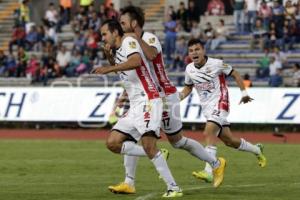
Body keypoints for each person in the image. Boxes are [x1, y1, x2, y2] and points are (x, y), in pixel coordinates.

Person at [106, 6, 226, 194]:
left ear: (134, 23)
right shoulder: (126, 42)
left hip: (165, 95)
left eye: (123, 23)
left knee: (177, 141)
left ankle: (215, 163)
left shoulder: (148, 38)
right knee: (136, 135)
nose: (121, 26)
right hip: (147, 96)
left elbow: (152, 55)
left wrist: (136, 38)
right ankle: (129, 181)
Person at [91, 19, 182, 198]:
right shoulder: (117, 49)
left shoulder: (128, 41)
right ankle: (145, 167)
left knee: (148, 145)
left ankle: (174, 187)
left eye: (104, 34)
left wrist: (109, 67)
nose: (102, 37)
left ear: (115, 33)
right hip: (135, 104)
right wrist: (110, 57)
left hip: (149, 99)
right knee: (113, 142)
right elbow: (123, 72)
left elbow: (136, 61)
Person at [179, 39, 267, 183]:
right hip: (208, 108)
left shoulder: (217, 64)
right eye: (191, 51)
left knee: (208, 132)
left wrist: (244, 94)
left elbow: (236, 74)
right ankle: (257, 150)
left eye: (197, 49)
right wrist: (179, 97)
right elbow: (188, 87)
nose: (194, 52)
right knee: (229, 141)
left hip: (221, 102)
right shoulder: (189, 69)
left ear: (203, 51)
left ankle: (209, 170)